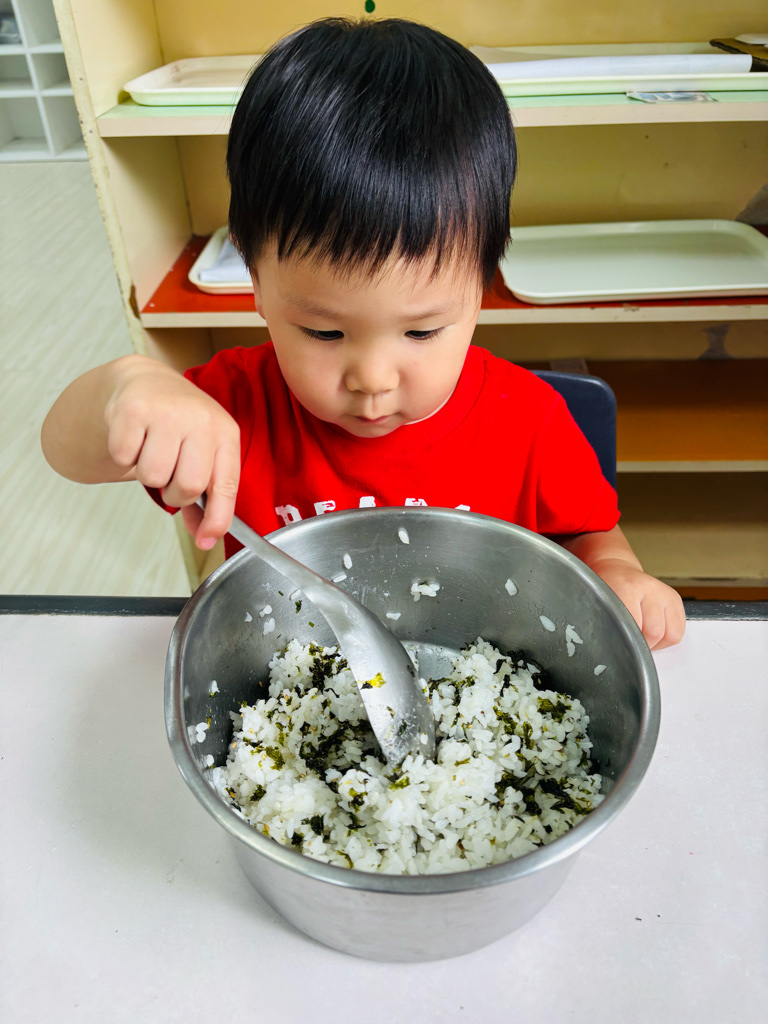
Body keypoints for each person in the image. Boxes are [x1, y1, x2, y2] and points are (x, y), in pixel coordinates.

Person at [41, 17, 685, 650]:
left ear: (482, 284)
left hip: (483, 657)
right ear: (254, 276)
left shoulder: (530, 421)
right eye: (324, 332)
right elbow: (65, 452)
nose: (372, 380)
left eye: (422, 331)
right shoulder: (233, 407)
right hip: (291, 664)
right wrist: (127, 386)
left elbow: (591, 534)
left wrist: (619, 574)